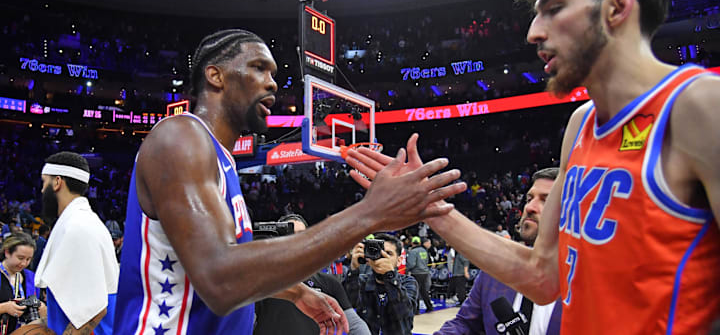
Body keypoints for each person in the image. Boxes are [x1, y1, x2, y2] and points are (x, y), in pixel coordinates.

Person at [345, 0, 720, 332]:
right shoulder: (580, 125)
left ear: (618, 7)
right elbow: (543, 277)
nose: (534, 32)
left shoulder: (698, 106)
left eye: (554, 8)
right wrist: (430, 207)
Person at [113, 29, 466, 335]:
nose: (272, 82)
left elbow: (229, 263)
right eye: (258, 68)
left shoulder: (222, 160)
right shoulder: (181, 137)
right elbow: (220, 278)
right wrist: (369, 214)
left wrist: (295, 292)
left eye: (274, 72)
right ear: (215, 76)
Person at [435, 168, 562, 335]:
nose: (530, 207)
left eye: (546, 201)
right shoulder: (494, 272)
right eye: (529, 198)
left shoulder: (592, 280)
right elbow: (465, 324)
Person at [35, 151, 119, 335]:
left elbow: (95, 310)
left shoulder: (78, 227)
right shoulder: (77, 221)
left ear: (57, 182)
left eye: (44, 182)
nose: (42, 190)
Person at [254, 214, 370, 335]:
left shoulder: (329, 282)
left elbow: (355, 325)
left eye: (301, 235)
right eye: (289, 234)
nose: (295, 240)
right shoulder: (260, 283)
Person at [344, 233, 418, 335]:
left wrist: (390, 276)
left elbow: (403, 312)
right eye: (379, 253)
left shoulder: (408, 282)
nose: (383, 258)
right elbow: (348, 304)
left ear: (399, 260)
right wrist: (353, 269)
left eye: (388, 254)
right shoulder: (362, 281)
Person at [0, 233, 45, 334]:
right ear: (7, 252)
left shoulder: (30, 277)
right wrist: (4, 308)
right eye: (20, 258)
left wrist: (41, 307)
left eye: (28, 259)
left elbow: (42, 304)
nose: (24, 263)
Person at [405, 236, 432, 313]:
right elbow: (427, 261)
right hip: (425, 272)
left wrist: (406, 269)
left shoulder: (413, 252)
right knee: (424, 291)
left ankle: (416, 309)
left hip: (416, 273)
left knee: (415, 291)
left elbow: (411, 264)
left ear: (412, 243)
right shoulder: (424, 250)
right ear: (420, 243)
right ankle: (429, 306)